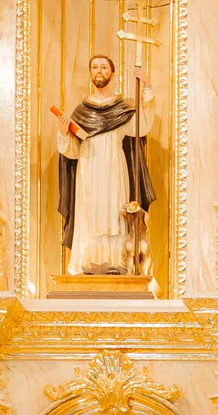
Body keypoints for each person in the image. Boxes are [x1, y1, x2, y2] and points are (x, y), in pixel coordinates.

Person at [54, 51, 155, 276]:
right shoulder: (81, 111)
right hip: (88, 168)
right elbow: (72, 152)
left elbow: (143, 125)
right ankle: (87, 262)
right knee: (90, 213)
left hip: (114, 168)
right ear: (90, 73)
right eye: (95, 67)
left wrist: (146, 86)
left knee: (114, 212)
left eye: (104, 67)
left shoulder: (121, 109)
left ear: (112, 73)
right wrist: (63, 134)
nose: (99, 72)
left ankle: (116, 262)